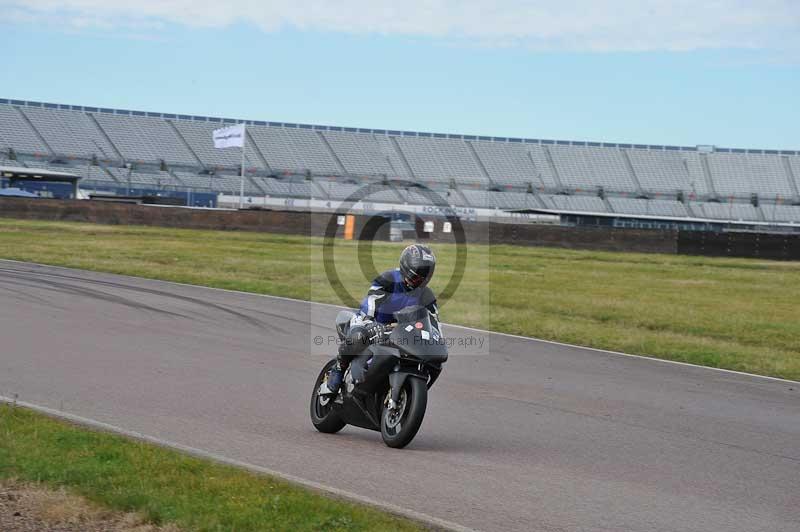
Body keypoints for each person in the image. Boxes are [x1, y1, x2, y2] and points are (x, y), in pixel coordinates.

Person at [325, 243, 438, 394]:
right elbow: (370, 303)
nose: (421, 282)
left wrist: (435, 339)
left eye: (424, 278)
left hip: (398, 332)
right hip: (372, 322)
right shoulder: (389, 279)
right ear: (406, 268)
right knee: (359, 337)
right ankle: (338, 368)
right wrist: (368, 322)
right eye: (417, 278)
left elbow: (434, 322)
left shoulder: (426, 295)